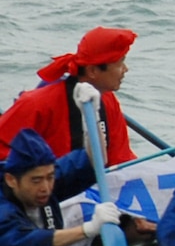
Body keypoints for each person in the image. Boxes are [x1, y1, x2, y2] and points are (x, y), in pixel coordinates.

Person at [0, 26, 142, 165]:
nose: (126, 69)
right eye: (120, 63)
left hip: (96, 185)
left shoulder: (108, 100)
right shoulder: (36, 103)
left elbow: (121, 159)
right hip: (46, 184)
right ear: (92, 70)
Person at [0, 129, 119, 246]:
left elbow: (90, 161)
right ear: (11, 180)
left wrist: (91, 127)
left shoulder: (46, 181)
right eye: (36, 181)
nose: (46, 188)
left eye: (50, 177)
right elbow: (27, 242)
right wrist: (89, 229)